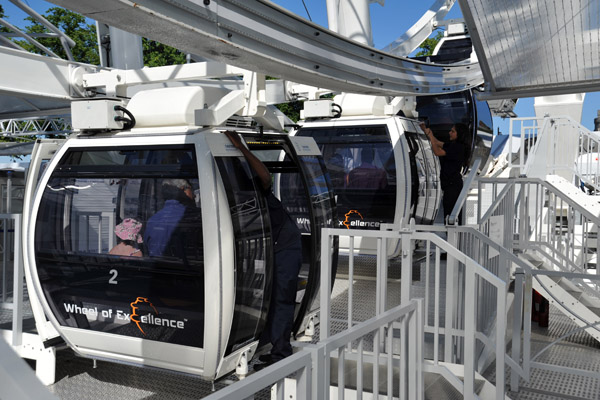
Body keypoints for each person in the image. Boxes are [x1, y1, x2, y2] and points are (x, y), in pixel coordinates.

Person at [223, 130, 302, 371]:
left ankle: (281, 352)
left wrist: (242, 149)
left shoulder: (256, 188)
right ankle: (271, 345)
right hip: (269, 245)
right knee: (268, 297)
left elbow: (265, 176)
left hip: (285, 245)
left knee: (281, 298)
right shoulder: (233, 195)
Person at [421, 122, 470, 223]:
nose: (449, 133)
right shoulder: (454, 145)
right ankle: (454, 237)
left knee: (450, 216)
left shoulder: (458, 147)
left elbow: (437, 151)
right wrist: (428, 133)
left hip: (452, 187)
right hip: (451, 186)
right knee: (450, 215)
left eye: (453, 131)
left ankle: (453, 237)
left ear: (459, 134)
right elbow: (438, 143)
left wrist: (430, 135)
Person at [144, 178, 200, 261]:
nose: (194, 195)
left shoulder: (152, 220)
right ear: (182, 190)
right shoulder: (197, 216)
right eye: (191, 189)